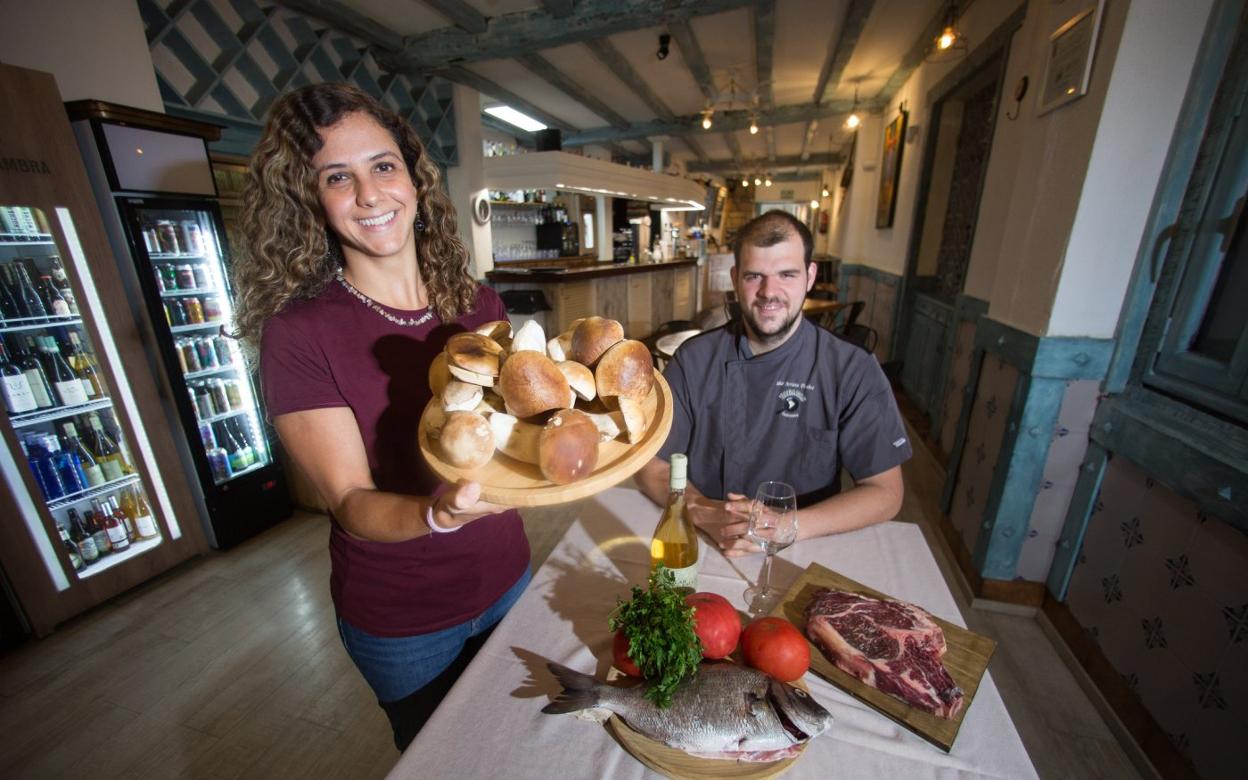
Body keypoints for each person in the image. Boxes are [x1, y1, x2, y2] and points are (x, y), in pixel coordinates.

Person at [231, 83, 530, 751]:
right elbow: (349, 500)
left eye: (383, 166)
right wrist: (437, 513)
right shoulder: (298, 333)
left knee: (519, 747)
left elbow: (510, 439)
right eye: (339, 177)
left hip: (509, 574)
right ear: (309, 200)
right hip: (406, 619)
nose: (369, 194)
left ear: (415, 179)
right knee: (447, 761)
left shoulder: (479, 303)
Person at [636, 210, 910, 555]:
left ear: (810, 276)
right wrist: (703, 511)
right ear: (735, 279)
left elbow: (886, 492)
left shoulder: (851, 368)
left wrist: (788, 526)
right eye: (754, 276)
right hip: (703, 539)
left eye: (787, 274)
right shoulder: (694, 360)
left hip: (807, 545)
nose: (769, 292)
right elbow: (652, 465)